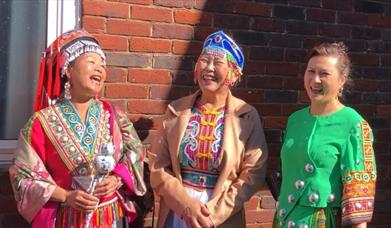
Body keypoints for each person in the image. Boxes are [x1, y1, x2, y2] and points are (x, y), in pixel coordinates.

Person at [8, 29, 147, 227]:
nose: (99, 69)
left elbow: (136, 151)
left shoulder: (115, 115)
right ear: (68, 70)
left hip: (111, 217)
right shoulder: (41, 122)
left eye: (102, 65)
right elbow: (22, 176)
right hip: (68, 219)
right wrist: (66, 195)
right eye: (92, 62)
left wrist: (117, 178)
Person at [149, 30, 269, 228]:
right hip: (177, 211)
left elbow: (253, 173)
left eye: (218, 63)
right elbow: (157, 166)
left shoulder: (247, 116)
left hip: (222, 215)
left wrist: (211, 216)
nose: (209, 68)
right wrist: (185, 205)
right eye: (204, 61)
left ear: (233, 73)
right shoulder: (176, 110)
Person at [273, 42, 376, 228]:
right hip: (284, 220)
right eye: (311, 71)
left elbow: (358, 203)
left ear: (342, 80)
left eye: (324, 74)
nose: (315, 80)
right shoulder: (295, 120)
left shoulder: (354, 124)